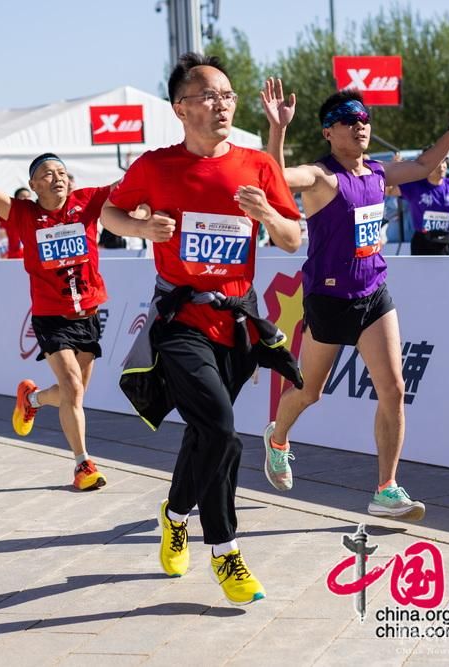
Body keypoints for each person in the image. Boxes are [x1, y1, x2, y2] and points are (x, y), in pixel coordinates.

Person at [101, 53, 303, 606]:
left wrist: (266, 215)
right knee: (221, 429)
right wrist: (141, 227)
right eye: (209, 96)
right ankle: (224, 550)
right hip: (180, 320)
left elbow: (292, 240)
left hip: (236, 322)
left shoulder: (257, 165)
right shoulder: (155, 166)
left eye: (227, 96)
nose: (222, 105)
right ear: (181, 108)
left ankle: (173, 515)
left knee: (204, 433)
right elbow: (109, 215)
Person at [259, 76, 449, 520]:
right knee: (310, 392)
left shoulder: (377, 173)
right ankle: (277, 438)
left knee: (394, 389)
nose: (359, 124)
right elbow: (277, 179)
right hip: (329, 299)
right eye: (347, 119)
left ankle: (386, 489)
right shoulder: (321, 176)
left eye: (364, 118)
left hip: (374, 293)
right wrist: (278, 129)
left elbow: (425, 164)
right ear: (328, 131)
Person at [0, 119, 113, 492]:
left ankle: (32, 398)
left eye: (62, 173)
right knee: (72, 387)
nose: (57, 178)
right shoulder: (23, 214)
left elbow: (130, 185)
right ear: (34, 185)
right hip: (51, 317)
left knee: (73, 393)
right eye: (47, 174)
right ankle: (82, 464)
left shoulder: (87, 202)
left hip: (88, 313)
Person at [0, 187, 31, 259]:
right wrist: (3, 252)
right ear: (16, 199)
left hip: (32, 257)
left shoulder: (35, 215)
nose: (26, 199)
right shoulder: (8, 214)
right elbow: (2, 235)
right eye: (23, 196)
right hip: (14, 258)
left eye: (28, 196)